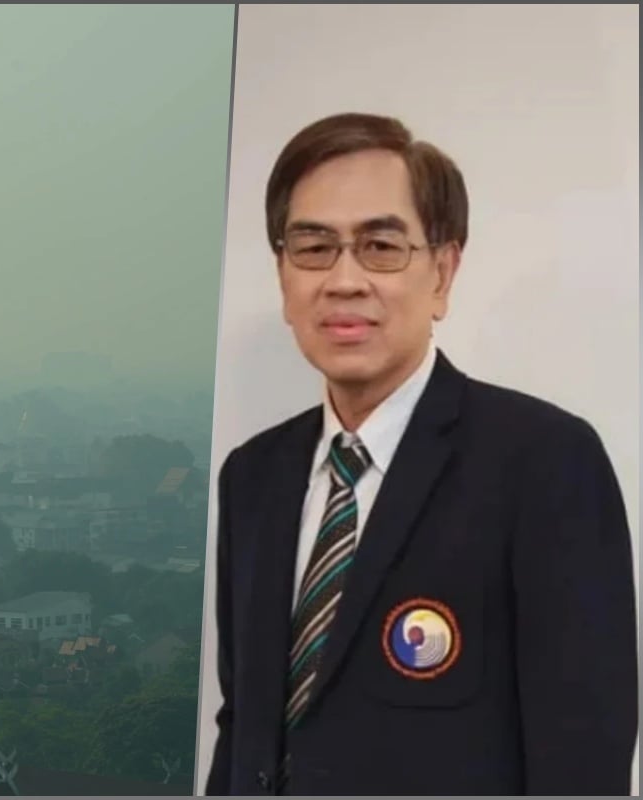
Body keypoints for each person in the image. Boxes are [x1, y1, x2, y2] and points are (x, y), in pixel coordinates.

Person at [204, 112, 638, 795]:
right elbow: (244, 728)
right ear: (283, 275)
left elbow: (583, 758)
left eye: (380, 246)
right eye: (313, 247)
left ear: (442, 271)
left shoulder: (546, 462)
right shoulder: (252, 475)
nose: (344, 280)